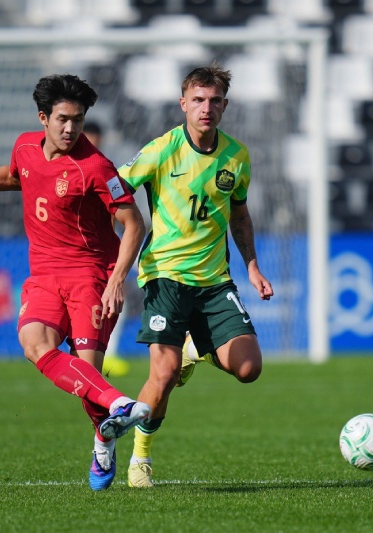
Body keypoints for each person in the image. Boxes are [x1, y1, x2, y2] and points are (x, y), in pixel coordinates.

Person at [0, 74, 150, 491]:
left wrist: (117, 280)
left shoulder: (96, 166)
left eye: (78, 120)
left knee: (86, 378)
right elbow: (13, 178)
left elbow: (134, 223)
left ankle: (103, 438)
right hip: (44, 275)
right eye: (63, 119)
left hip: (90, 276)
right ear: (43, 118)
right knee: (34, 344)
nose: (71, 129)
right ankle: (120, 405)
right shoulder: (25, 146)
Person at [117, 64, 274, 488]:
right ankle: (140, 459)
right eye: (198, 100)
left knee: (249, 369)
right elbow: (113, 186)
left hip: (215, 280)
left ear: (225, 104)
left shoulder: (237, 156)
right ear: (183, 103)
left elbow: (239, 214)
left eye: (215, 100)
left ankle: (193, 349)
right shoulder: (162, 150)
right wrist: (124, 222)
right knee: (163, 376)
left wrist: (253, 265)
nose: (207, 108)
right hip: (165, 277)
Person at [82, 120, 131, 379]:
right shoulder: (65, 169)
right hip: (77, 250)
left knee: (115, 298)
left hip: (106, 246)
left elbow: (120, 210)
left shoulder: (106, 170)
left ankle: (107, 354)